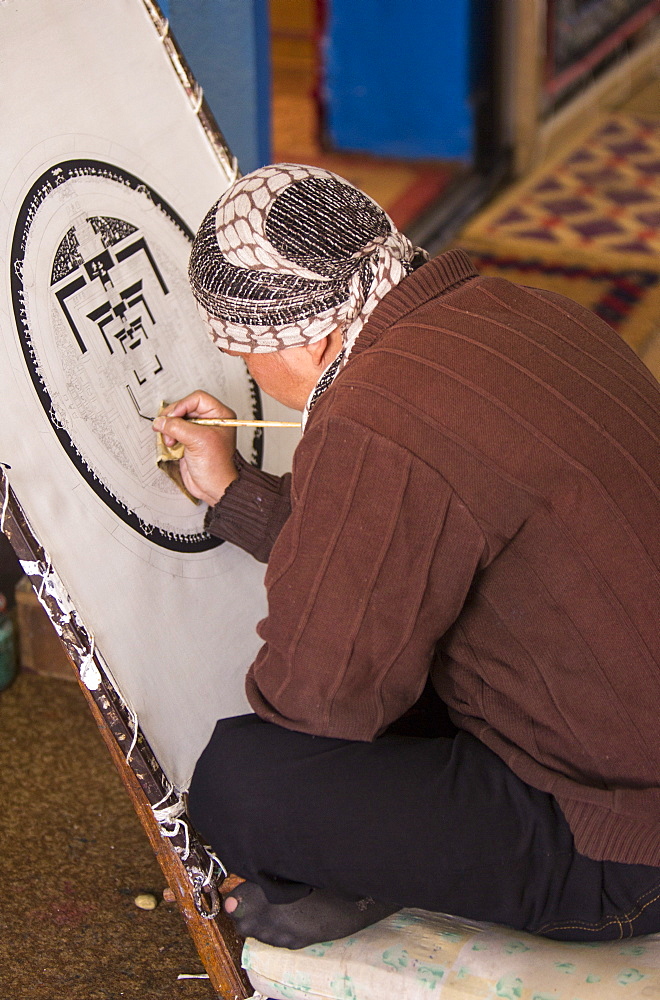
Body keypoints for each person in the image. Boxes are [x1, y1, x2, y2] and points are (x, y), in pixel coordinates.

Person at [153, 163, 660, 950]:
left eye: (241, 349)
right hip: (618, 743)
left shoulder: (375, 415)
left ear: (310, 337)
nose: (245, 369)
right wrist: (232, 491)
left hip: (622, 844)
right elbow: (385, 542)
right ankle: (369, 874)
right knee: (399, 646)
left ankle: (362, 879)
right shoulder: (523, 308)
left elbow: (317, 701)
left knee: (245, 784)